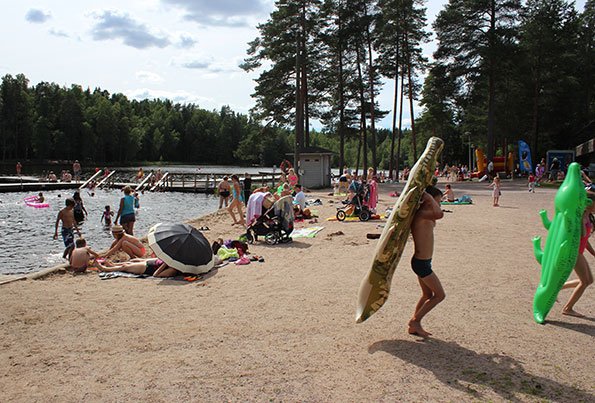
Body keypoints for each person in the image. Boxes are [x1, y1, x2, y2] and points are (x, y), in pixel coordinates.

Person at [408, 186, 445, 337]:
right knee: (439, 295)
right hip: (421, 264)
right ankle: (415, 321)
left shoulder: (425, 214)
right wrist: (428, 198)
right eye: (438, 201)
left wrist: (431, 199)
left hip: (424, 262)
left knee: (427, 295)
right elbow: (439, 214)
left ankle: (414, 325)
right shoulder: (422, 213)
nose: (439, 205)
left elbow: (437, 212)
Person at [560, 193, 595, 317]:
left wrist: (593, 253)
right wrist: (582, 217)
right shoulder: (579, 217)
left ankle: (557, 288)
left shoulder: (588, 216)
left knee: (589, 280)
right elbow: (581, 234)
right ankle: (568, 308)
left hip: (579, 252)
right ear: (589, 203)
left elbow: (585, 240)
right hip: (573, 252)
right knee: (584, 281)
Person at [97, 257, 179, 277]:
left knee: (125, 266)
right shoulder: (172, 259)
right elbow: (157, 260)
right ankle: (113, 265)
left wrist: (165, 263)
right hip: (150, 262)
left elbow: (156, 275)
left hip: (147, 268)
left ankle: (105, 269)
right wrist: (143, 259)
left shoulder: (173, 269)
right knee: (132, 261)